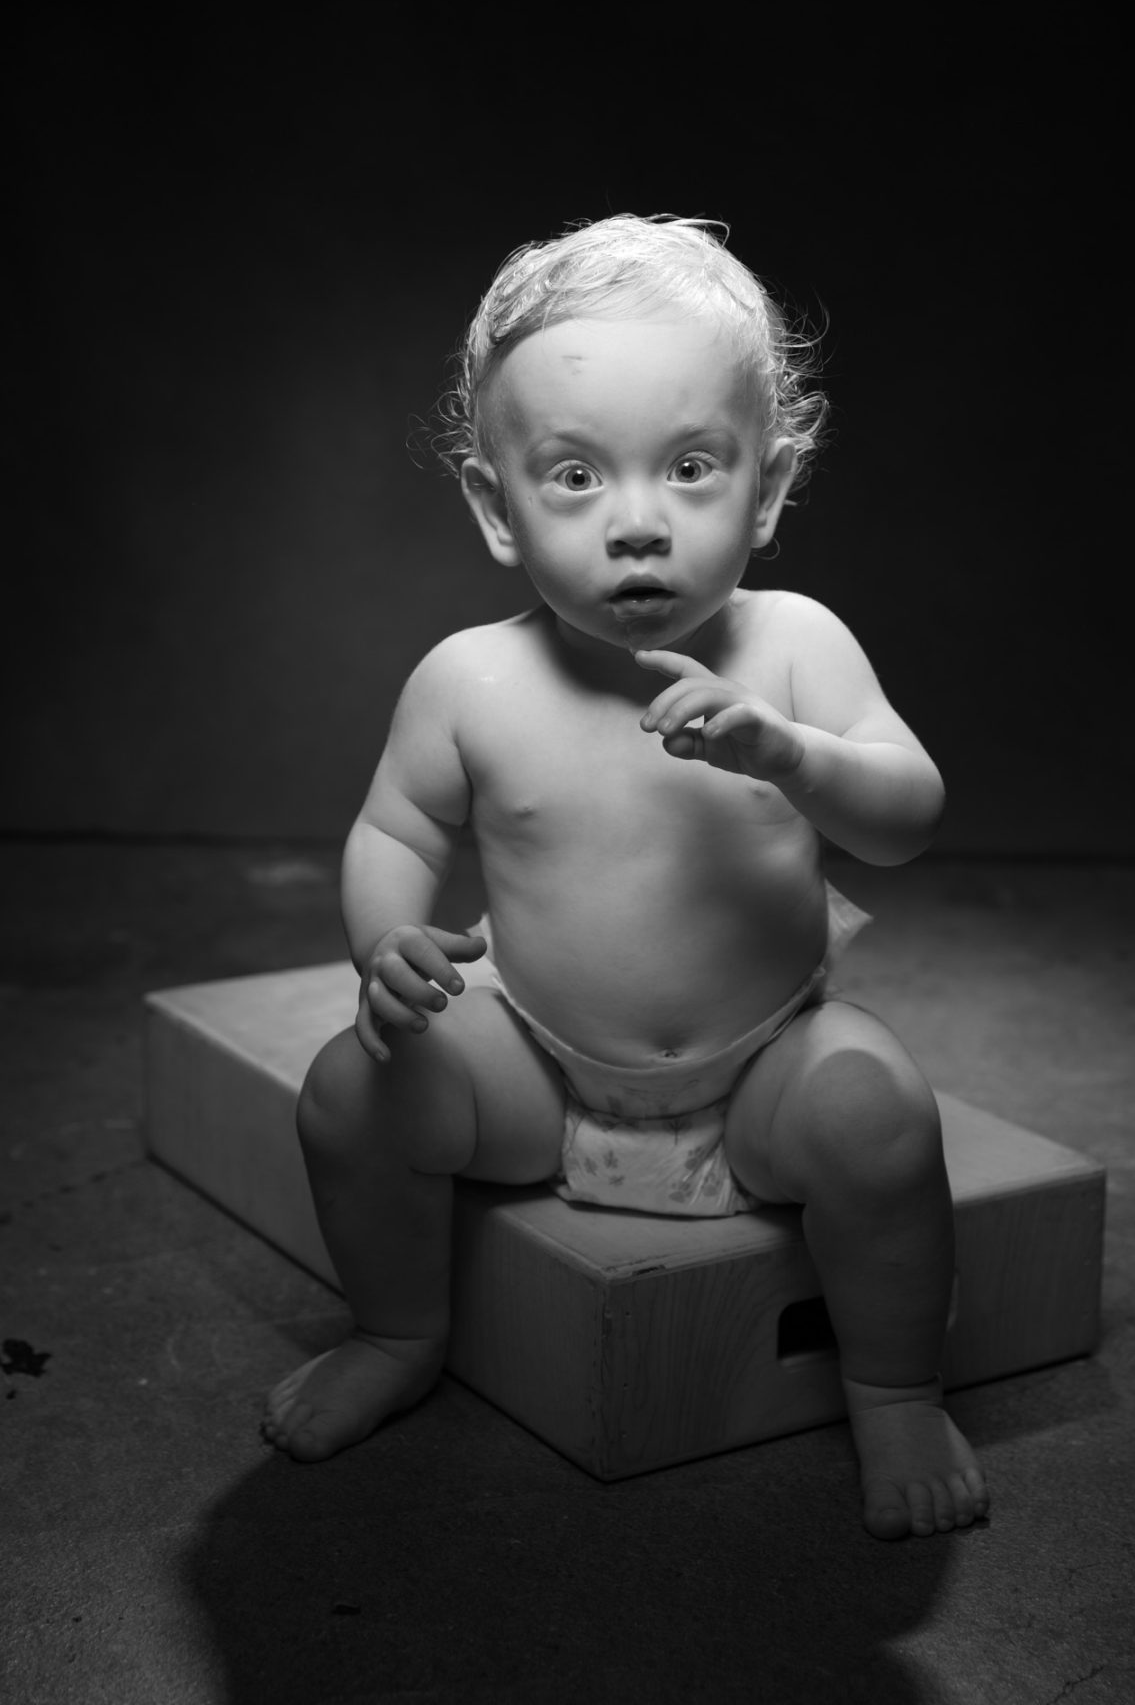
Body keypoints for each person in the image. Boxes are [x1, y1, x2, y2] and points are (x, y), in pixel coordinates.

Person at [261, 215, 990, 1540]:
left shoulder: (794, 647)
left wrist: (795, 753)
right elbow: (398, 836)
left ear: (766, 490)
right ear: (497, 505)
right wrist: (386, 946)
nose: (640, 524)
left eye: (693, 467)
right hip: (535, 1067)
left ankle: (893, 1388)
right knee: (351, 1093)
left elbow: (907, 818)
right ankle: (397, 1329)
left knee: (877, 1114)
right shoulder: (469, 682)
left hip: (761, 1063)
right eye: (578, 477)